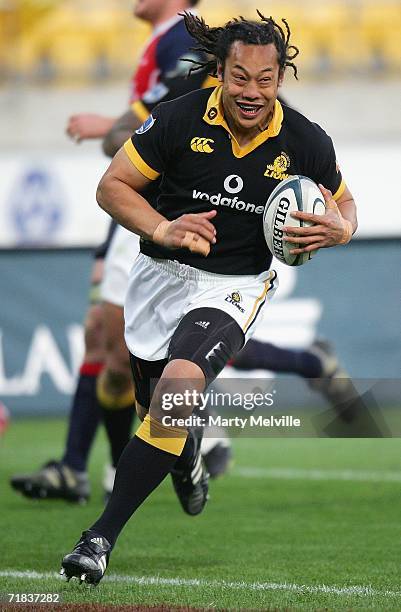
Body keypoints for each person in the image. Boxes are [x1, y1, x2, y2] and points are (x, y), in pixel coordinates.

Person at [60, 10, 357, 585]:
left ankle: (98, 539)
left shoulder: (305, 141)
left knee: (177, 389)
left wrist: (340, 230)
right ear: (220, 72)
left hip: (235, 287)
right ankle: (187, 452)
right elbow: (112, 186)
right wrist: (163, 229)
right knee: (159, 412)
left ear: (279, 78)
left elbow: (345, 206)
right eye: (240, 77)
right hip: (159, 279)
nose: (252, 92)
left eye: (265, 80)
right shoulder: (176, 119)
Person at [9, 0, 230, 503]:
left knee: (124, 351)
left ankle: (185, 445)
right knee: (106, 346)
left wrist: (112, 126)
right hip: (137, 215)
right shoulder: (162, 44)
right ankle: (98, 466)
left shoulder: (183, 39)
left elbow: (142, 132)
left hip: (160, 217)